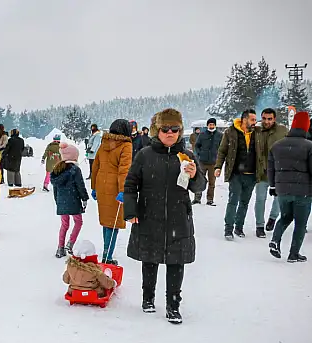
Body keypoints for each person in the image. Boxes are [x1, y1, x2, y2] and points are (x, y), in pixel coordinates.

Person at [124, 108, 206, 324]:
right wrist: (131, 211)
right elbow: (131, 184)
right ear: (157, 131)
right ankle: (148, 298)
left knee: (176, 261)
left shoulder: (187, 156)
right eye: (165, 129)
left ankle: (173, 305)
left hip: (178, 217)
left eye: (175, 129)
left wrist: (195, 174)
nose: (170, 133)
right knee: (150, 259)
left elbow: (200, 186)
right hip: (149, 215)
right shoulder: (144, 155)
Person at [268, 112, 312, 263]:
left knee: (285, 217)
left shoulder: (277, 145)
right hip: (304, 192)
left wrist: (272, 186)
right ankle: (294, 254)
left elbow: (271, 169)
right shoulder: (309, 146)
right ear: (306, 127)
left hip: (282, 191)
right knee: (300, 223)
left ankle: (275, 240)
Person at [215, 109, 264, 240]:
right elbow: (222, 151)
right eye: (252, 119)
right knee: (233, 201)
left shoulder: (258, 133)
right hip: (236, 174)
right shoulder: (230, 132)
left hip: (252, 174)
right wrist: (218, 166)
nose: (255, 122)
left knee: (244, 202)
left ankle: (239, 227)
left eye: (255, 120)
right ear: (244, 119)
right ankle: (228, 229)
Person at [91, 119, 133, 265]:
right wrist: (123, 190)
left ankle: (106, 253)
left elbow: (95, 166)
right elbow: (124, 171)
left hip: (102, 185)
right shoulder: (126, 145)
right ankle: (107, 257)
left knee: (107, 223)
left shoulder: (104, 142)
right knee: (113, 223)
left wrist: (94, 187)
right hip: (115, 187)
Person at [51, 142, 89, 258]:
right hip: (74, 201)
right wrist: (84, 199)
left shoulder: (57, 169)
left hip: (62, 202)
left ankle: (60, 248)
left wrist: (58, 202)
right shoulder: (75, 169)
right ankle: (70, 243)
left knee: (64, 225)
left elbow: (55, 189)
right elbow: (80, 186)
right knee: (78, 222)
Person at [256, 108, 288, 236]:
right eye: (264, 118)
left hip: (278, 171)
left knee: (279, 198)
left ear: (274, 119)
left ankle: (273, 218)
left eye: (269, 119)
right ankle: (259, 226)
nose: (266, 121)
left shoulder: (283, 130)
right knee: (260, 199)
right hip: (262, 171)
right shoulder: (256, 130)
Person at [193, 118, 223, 205]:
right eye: (210, 124)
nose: (211, 126)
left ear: (215, 125)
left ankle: (210, 199)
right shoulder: (202, 135)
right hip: (202, 161)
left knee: (212, 182)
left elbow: (222, 148)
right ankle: (197, 198)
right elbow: (197, 146)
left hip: (214, 163)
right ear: (207, 125)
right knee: (200, 180)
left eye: (213, 124)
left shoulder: (220, 135)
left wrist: (219, 157)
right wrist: (199, 154)